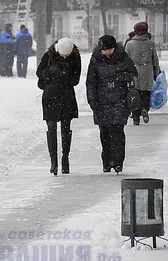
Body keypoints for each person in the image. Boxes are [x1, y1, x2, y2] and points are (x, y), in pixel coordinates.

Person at [86, 35, 137, 173]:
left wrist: (125, 76)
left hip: (120, 99)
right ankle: (107, 161)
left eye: (110, 49)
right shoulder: (95, 60)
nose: (107, 52)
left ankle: (118, 162)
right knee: (105, 131)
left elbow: (133, 73)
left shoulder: (123, 57)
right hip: (101, 101)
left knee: (117, 130)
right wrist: (92, 99)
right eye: (105, 50)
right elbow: (91, 82)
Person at [36, 38, 81, 175]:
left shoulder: (75, 57)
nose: (65, 57)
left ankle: (65, 158)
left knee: (66, 129)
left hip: (67, 97)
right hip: (50, 96)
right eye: (62, 55)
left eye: (67, 55)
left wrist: (65, 73)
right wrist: (50, 72)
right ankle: (53, 162)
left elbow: (75, 80)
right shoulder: (48, 55)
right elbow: (39, 73)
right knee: (51, 128)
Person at [125, 22, 160, 125]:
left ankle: (136, 116)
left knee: (134, 94)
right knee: (146, 92)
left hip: (134, 71)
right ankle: (145, 108)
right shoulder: (150, 43)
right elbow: (155, 59)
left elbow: (126, 59)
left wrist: (126, 72)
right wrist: (156, 72)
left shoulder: (130, 44)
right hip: (147, 70)